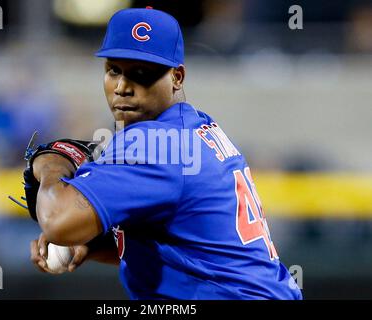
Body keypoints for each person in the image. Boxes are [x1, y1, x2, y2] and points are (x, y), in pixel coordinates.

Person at [29, 7, 302, 300]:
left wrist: (53, 160)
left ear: (177, 77)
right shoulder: (199, 126)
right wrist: (95, 246)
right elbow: (188, 246)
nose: (122, 87)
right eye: (114, 70)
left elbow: (57, 223)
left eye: (142, 73)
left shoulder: (156, 141)